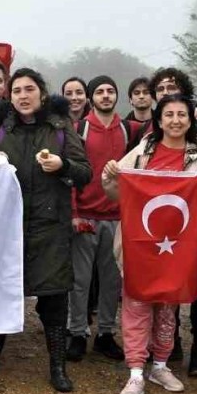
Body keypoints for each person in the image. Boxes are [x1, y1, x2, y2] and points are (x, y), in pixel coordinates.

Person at [0, 69, 92, 391]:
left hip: (50, 227)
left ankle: (57, 367)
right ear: (10, 96)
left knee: (53, 299)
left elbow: (85, 172)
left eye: (29, 89)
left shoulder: (60, 127)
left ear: (41, 94)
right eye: (16, 90)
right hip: (7, 226)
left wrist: (64, 166)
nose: (22, 95)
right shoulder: (2, 129)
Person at [102, 94, 197, 394]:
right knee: (137, 305)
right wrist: (111, 174)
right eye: (168, 114)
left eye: (181, 114)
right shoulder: (144, 150)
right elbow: (117, 191)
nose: (175, 120)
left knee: (168, 310)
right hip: (140, 245)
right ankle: (135, 372)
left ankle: (160, 364)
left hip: (178, 248)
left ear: (190, 119)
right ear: (159, 120)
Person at [147, 67, 197, 363]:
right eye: (162, 89)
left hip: (196, 223)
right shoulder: (150, 133)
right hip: (162, 223)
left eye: (173, 87)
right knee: (166, 288)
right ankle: (170, 341)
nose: (167, 92)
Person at [65, 75, 131, 361]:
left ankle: (105, 333)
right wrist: (74, 214)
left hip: (117, 216)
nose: (106, 95)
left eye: (110, 91)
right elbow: (69, 174)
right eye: (100, 92)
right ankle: (77, 332)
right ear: (92, 98)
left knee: (112, 281)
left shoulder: (128, 130)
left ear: (117, 96)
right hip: (86, 217)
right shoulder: (80, 128)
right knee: (80, 280)